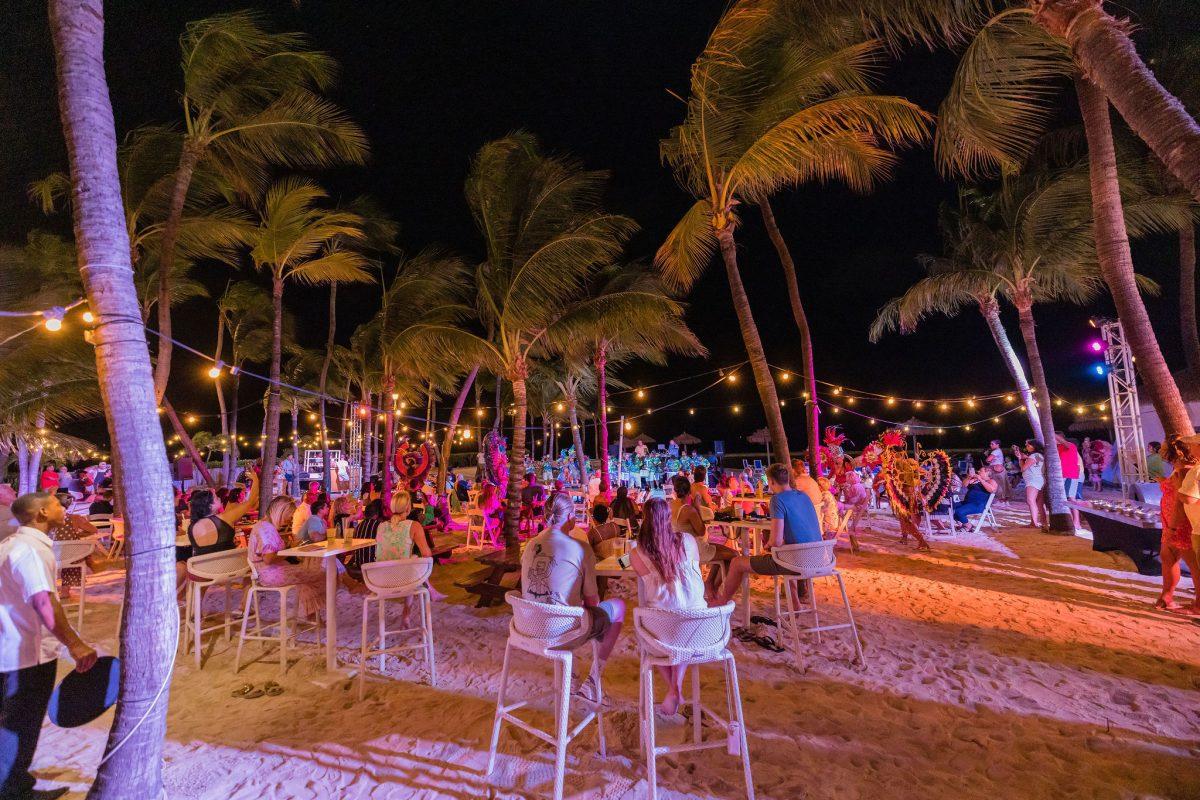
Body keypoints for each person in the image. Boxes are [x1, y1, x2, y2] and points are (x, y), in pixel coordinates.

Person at [1, 492, 98, 800]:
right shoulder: (29, 550)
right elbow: (44, 601)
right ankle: (11, 791)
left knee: (15, 721)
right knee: (19, 723)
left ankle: (15, 782)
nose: (63, 507)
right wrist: (75, 644)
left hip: (11, 646)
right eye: (56, 503)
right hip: (24, 652)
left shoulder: (14, 544)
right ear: (42, 513)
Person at [521, 492, 624, 709]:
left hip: (527, 625)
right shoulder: (580, 548)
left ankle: (573, 675)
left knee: (565, 608)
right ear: (570, 517)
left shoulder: (531, 545)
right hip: (560, 630)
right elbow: (593, 602)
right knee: (617, 607)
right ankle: (593, 680)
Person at [629, 497, 706, 715]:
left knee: (647, 631)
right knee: (679, 622)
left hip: (665, 632)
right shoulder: (688, 540)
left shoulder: (637, 553)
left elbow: (644, 577)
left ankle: (673, 688)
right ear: (669, 518)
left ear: (644, 519)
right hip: (699, 628)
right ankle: (676, 687)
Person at [711, 463, 823, 608]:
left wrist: (768, 545)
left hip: (796, 561)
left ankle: (721, 603)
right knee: (786, 553)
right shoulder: (803, 496)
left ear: (771, 481)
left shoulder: (777, 500)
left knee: (736, 563)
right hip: (819, 557)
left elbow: (775, 541)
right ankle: (795, 604)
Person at [248, 496, 361, 622]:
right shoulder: (265, 529)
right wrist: (291, 550)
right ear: (280, 512)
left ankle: (311, 613)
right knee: (323, 574)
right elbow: (269, 559)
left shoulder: (265, 526)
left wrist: (290, 548)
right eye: (288, 515)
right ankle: (314, 611)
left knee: (319, 570)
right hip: (271, 573)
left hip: (273, 570)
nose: (289, 519)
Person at [1155, 436, 1200, 613]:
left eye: (1163, 447)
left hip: (1181, 523)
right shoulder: (1178, 469)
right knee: (1167, 557)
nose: (1160, 450)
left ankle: (1198, 605)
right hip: (1170, 521)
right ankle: (1166, 596)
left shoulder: (1186, 470)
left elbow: (1182, 501)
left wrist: (1173, 526)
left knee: (1193, 565)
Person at [187, 471, 259, 558]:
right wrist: (255, 479)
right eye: (216, 498)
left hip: (203, 570)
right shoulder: (224, 518)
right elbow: (250, 502)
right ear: (210, 506)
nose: (219, 498)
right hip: (228, 568)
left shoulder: (191, 527)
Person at [48, 491, 100, 600]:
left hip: (50, 556)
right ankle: (65, 590)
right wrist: (79, 534)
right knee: (73, 551)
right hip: (70, 556)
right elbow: (94, 530)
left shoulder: (46, 519)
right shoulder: (75, 518)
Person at [376, 491, 432, 562]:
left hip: (380, 571)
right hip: (403, 571)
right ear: (408, 508)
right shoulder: (414, 526)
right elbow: (426, 554)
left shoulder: (381, 526)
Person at [1015, 440, 1046, 530]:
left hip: (1033, 480)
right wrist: (1021, 457)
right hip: (1039, 479)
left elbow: (1023, 468)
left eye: (1028, 445)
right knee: (1039, 503)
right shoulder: (1039, 455)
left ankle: (1034, 523)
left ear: (1034, 446)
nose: (1026, 447)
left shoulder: (1033, 456)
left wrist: (1020, 459)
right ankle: (1043, 522)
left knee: (1031, 501)